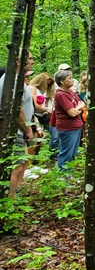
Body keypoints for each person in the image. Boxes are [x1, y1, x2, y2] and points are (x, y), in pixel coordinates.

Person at [0, 51, 44, 196]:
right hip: (14, 129)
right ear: (19, 61)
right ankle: (9, 202)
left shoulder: (18, 79)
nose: (33, 61)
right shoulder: (11, 79)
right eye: (30, 58)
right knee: (16, 166)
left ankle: (14, 193)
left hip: (18, 129)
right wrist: (27, 129)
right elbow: (15, 108)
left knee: (21, 163)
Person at [53, 69, 85, 171]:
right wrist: (78, 108)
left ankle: (69, 174)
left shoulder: (70, 92)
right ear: (62, 81)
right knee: (66, 152)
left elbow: (83, 103)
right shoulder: (60, 94)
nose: (72, 80)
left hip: (76, 126)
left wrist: (77, 109)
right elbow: (72, 113)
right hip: (67, 128)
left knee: (73, 153)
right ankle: (62, 175)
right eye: (69, 78)